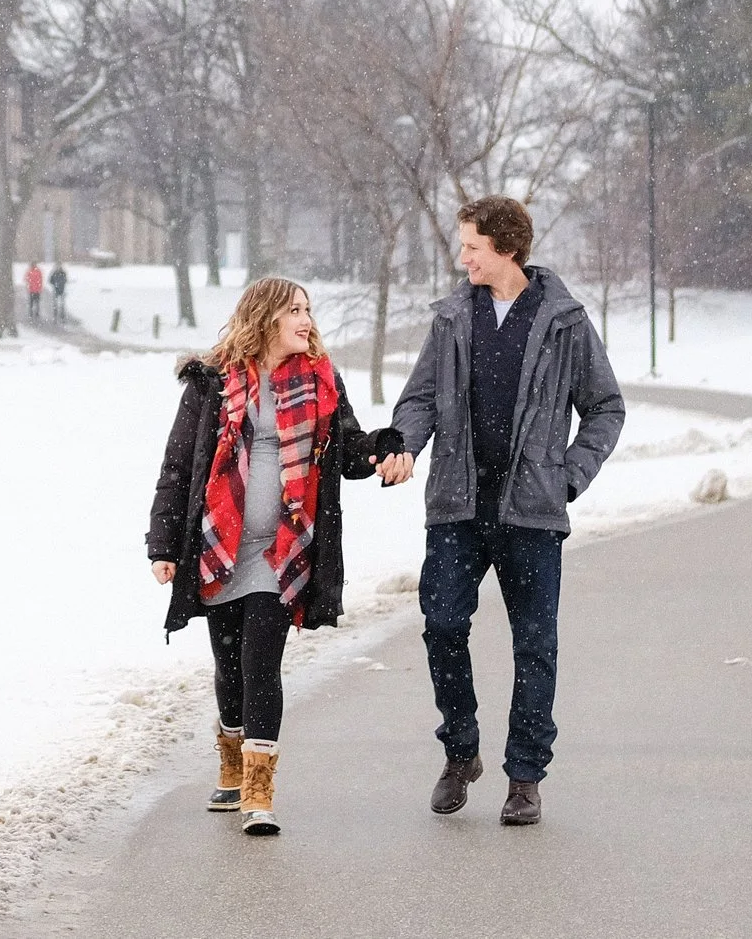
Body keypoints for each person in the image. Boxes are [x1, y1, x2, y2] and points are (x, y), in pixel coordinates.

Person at [378, 195, 624, 827]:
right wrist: (404, 445)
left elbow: (605, 408)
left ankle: (524, 777)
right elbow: (421, 397)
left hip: (533, 515)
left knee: (535, 646)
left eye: (472, 248)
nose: (463, 259)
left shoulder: (565, 322)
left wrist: (569, 477)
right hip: (456, 507)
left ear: (506, 249)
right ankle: (461, 753)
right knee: (441, 627)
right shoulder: (453, 316)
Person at [148, 278, 405, 836]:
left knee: (261, 661)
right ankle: (233, 757)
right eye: (295, 310)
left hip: (281, 549)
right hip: (220, 546)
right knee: (229, 664)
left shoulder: (320, 380)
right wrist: (164, 546)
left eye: (309, 310)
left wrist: (384, 445)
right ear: (265, 317)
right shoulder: (212, 383)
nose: (306, 320)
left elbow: (348, 452)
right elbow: (177, 468)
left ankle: (259, 791)